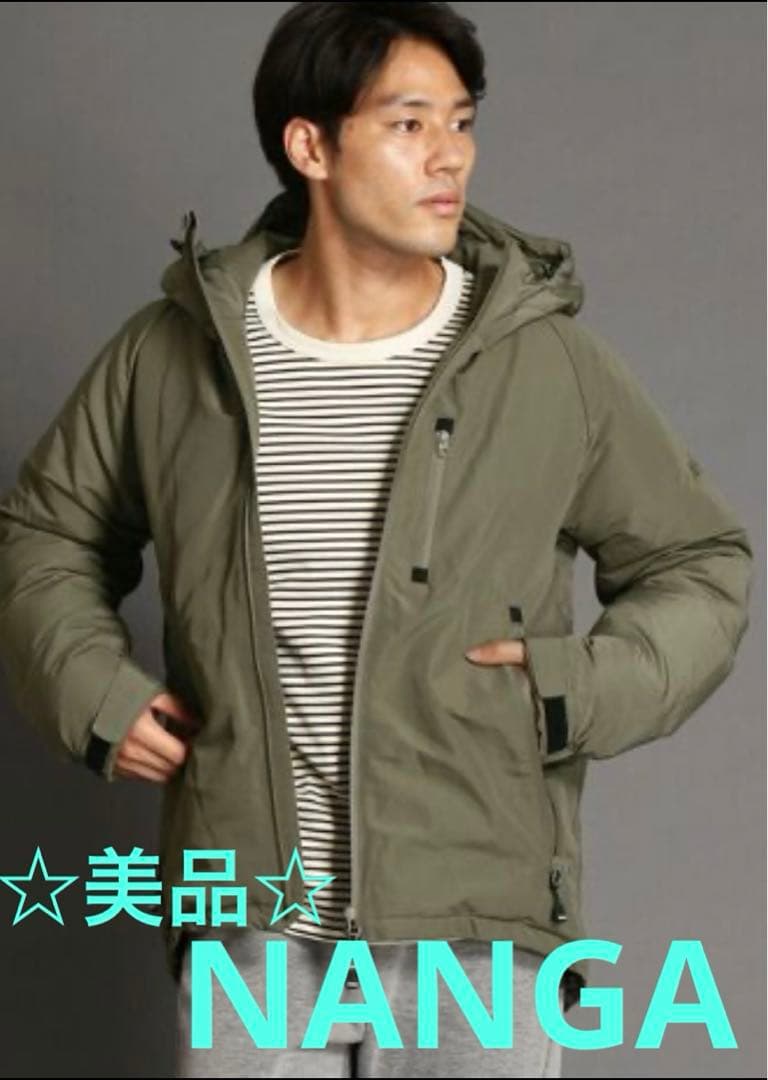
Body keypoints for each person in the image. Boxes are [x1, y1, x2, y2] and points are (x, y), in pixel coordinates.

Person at [0, 2, 753, 1077]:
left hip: (478, 921)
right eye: (408, 124)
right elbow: (45, 534)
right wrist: (91, 689)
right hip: (255, 918)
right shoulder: (172, 355)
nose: (451, 156)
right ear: (311, 146)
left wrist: (570, 690)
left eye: (461, 121)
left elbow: (699, 562)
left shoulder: (545, 364)